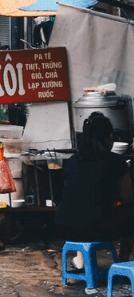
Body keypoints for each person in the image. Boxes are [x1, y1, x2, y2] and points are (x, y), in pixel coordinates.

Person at [57, 112, 134, 262]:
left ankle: (81, 260)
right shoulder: (116, 162)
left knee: (83, 213)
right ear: (109, 137)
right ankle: (123, 261)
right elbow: (127, 198)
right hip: (96, 228)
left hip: (64, 226)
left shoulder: (72, 161)